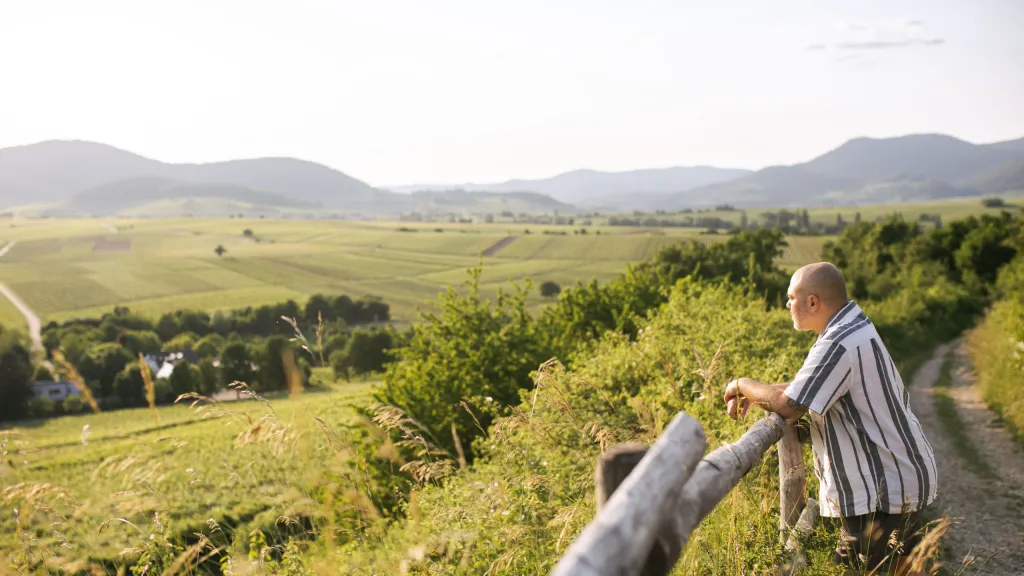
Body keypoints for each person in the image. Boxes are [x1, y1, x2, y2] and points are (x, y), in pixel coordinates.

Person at [724, 262, 937, 575]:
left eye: (791, 297)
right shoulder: (853, 326)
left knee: (849, 570)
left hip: (882, 490)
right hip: (899, 478)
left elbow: (789, 404)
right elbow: (806, 390)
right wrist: (757, 395)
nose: (786, 304)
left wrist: (741, 384)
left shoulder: (837, 342)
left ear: (812, 302)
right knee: (901, 570)